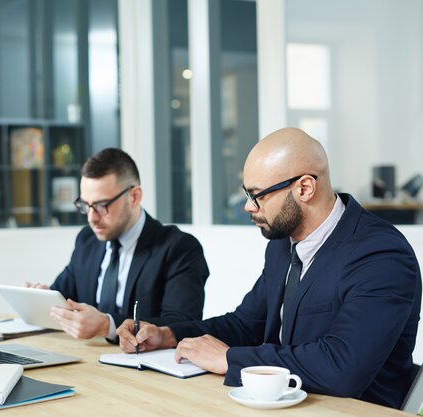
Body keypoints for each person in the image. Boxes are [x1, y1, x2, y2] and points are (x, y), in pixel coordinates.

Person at [117, 128, 421, 409]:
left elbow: (343, 367)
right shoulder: (281, 244)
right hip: (287, 405)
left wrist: (228, 358)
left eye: (257, 195)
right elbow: (246, 324)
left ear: (304, 188)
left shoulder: (381, 255)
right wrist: (168, 335)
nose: (249, 206)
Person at [25, 148, 209, 341]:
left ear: (134, 196)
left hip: (144, 368)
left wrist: (108, 325)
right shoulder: (87, 239)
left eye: (101, 205)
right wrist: (42, 300)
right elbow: (64, 297)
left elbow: (182, 325)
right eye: (85, 205)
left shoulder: (179, 248)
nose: (91, 218)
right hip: (87, 361)